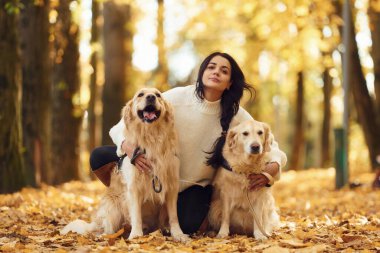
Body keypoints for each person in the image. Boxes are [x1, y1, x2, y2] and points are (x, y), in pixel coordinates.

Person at [90, 52, 287, 234]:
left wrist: (271, 170)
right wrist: (128, 147)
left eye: (224, 70)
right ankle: (124, 205)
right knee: (100, 156)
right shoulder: (176, 97)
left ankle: (187, 215)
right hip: (157, 169)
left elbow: (272, 146)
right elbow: (118, 128)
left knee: (189, 225)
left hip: (191, 186)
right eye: (211, 67)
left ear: (229, 83)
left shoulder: (236, 115)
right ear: (202, 73)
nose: (216, 72)